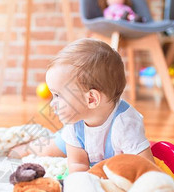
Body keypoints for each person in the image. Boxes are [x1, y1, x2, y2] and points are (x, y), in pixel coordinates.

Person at [8, 38, 154, 174]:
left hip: (111, 155)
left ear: (91, 99)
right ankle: (26, 148)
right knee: (50, 148)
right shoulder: (74, 124)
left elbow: (147, 170)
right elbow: (78, 164)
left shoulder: (125, 125)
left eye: (58, 95)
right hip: (80, 141)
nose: (52, 103)